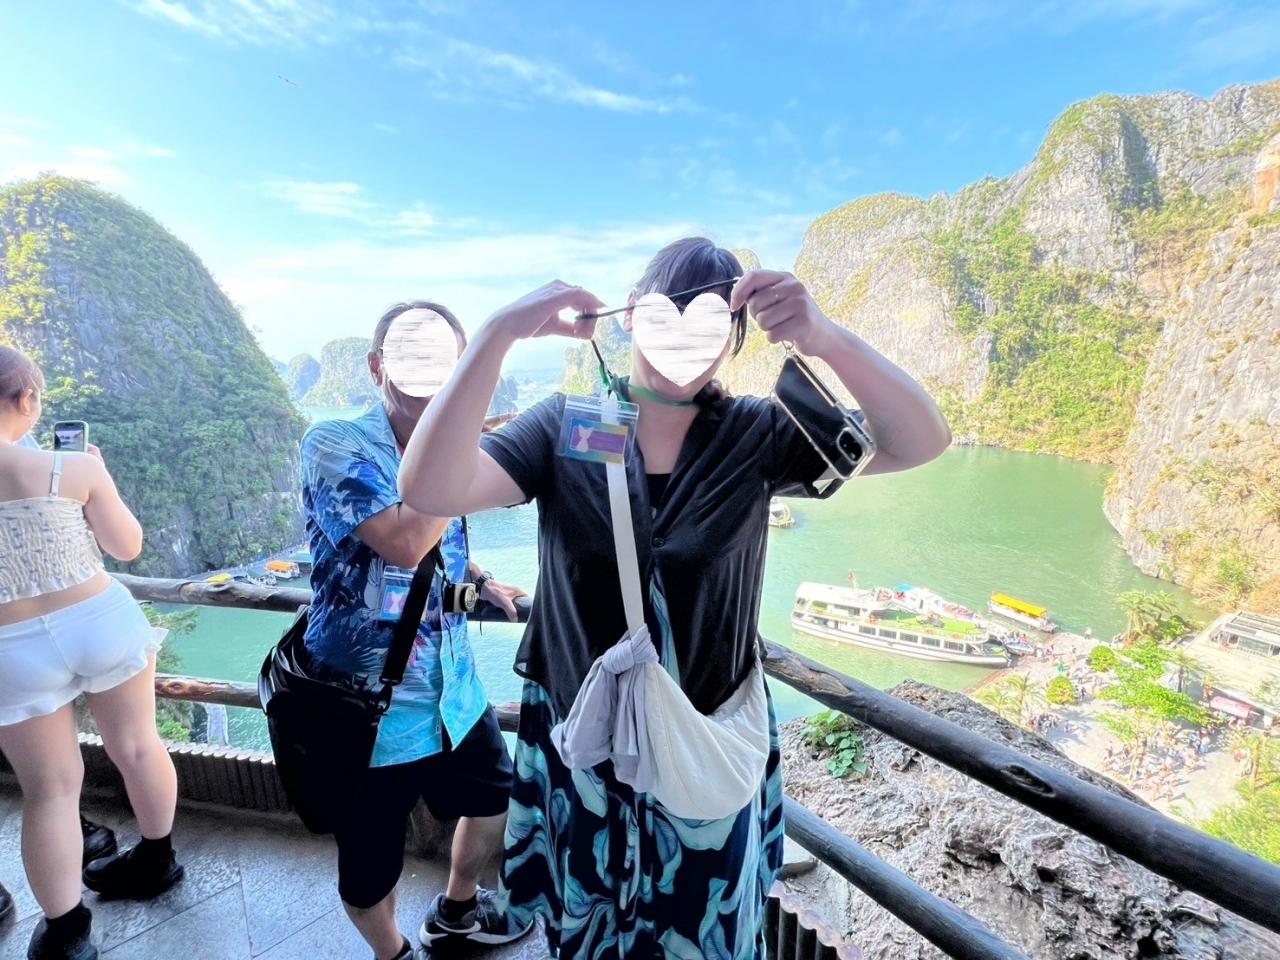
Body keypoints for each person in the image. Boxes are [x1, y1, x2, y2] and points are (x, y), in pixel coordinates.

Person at [398, 239, 951, 957]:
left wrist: (823, 336)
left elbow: (919, 441)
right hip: (586, 753)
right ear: (633, 314)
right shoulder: (565, 424)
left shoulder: (759, 434)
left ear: (732, 336)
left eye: (712, 319)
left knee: (704, 934)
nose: (687, 335)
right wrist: (498, 334)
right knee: (589, 934)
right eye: (668, 310)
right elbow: (430, 488)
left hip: (704, 749)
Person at [299, 302, 532, 960]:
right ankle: (392, 952)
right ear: (378, 367)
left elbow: (438, 545)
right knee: (368, 864)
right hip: (370, 706)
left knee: (494, 799)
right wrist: (457, 448)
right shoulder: (335, 443)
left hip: (453, 689)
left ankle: (457, 908)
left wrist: (479, 575)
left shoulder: (445, 451)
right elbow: (403, 541)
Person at [0, 346, 182, 960]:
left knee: (51, 791)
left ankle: (66, 932)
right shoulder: (71, 467)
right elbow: (126, 546)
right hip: (100, 619)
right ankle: (157, 859)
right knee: (138, 746)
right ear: (27, 399)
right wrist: (96, 477)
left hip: (10, 647)